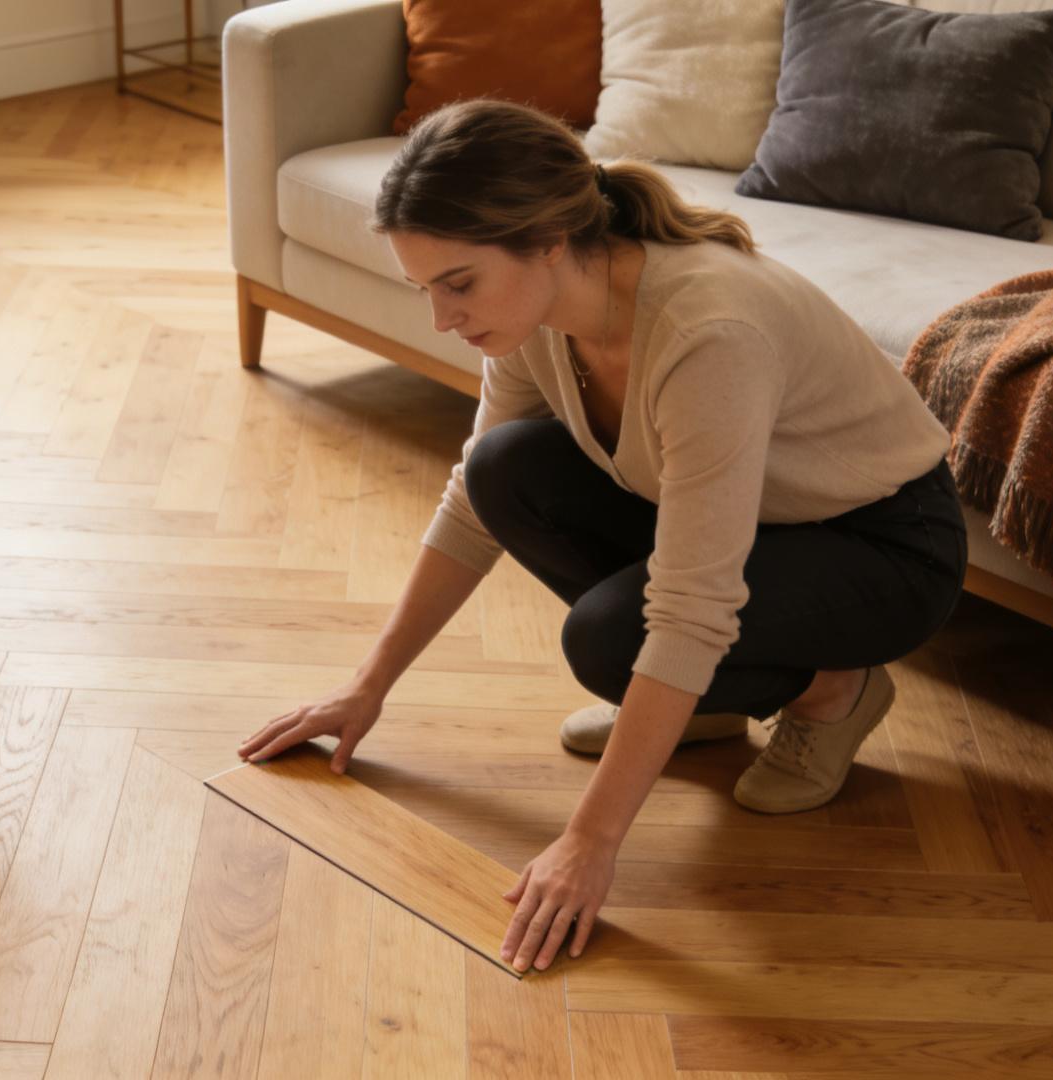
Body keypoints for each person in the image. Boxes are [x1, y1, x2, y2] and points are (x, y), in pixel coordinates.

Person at [236, 100, 969, 973]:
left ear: (549, 238)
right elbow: (474, 502)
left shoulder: (708, 333)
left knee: (612, 639)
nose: (442, 318)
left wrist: (588, 840)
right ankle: (711, 702)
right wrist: (364, 689)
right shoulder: (534, 316)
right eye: (424, 287)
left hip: (883, 544)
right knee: (502, 468)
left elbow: (692, 605)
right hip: (760, 526)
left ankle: (830, 691)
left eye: (459, 283)